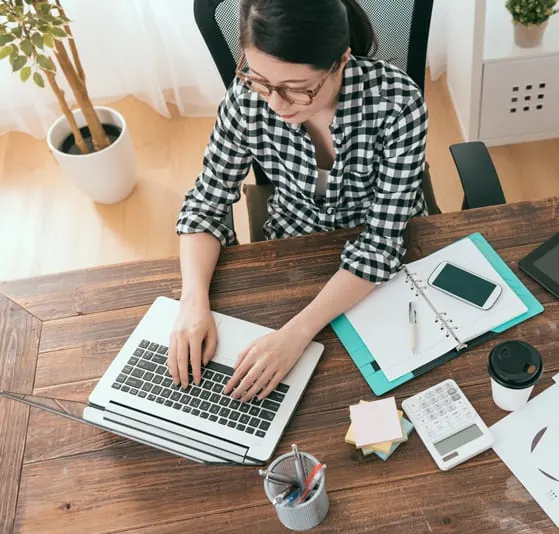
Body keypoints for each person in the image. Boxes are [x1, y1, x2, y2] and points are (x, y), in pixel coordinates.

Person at [169, 0, 428, 403]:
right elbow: (205, 204)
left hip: (378, 275)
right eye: (258, 78)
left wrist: (297, 334)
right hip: (294, 253)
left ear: (340, 61)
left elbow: (381, 244)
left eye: (297, 89)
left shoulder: (398, 104)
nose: (275, 102)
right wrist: (192, 302)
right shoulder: (247, 99)